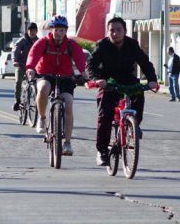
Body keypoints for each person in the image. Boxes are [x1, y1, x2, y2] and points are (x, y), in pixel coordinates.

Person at [87, 17, 160, 166]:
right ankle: (102, 151)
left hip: (128, 78)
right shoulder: (102, 45)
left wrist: (152, 79)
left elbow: (145, 63)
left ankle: (134, 125)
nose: (115, 33)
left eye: (118, 30)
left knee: (139, 93)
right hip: (108, 80)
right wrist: (97, 79)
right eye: (111, 30)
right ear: (107, 32)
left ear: (125, 31)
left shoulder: (132, 44)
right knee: (105, 114)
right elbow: (91, 65)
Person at [25, 15, 88, 156]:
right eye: (56, 30)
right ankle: (42, 118)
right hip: (45, 74)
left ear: (65, 31)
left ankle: (67, 143)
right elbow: (33, 55)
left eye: (61, 30)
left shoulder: (71, 44)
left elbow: (79, 57)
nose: (58, 33)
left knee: (69, 104)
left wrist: (83, 72)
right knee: (43, 88)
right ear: (51, 30)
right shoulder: (43, 42)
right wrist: (30, 68)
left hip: (65, 77)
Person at [12, 22, 39, 111]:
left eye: (34, 30)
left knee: (40, 83)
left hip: (33, 66)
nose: (32, 32)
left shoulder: (39, 42)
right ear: (27, 31)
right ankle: (17, 100)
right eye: (30, 30)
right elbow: (15, 51)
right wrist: (15, 60)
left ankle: (38, 100)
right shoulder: (22, 41)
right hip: (21, 65)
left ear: (37, 31)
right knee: (18, 81)